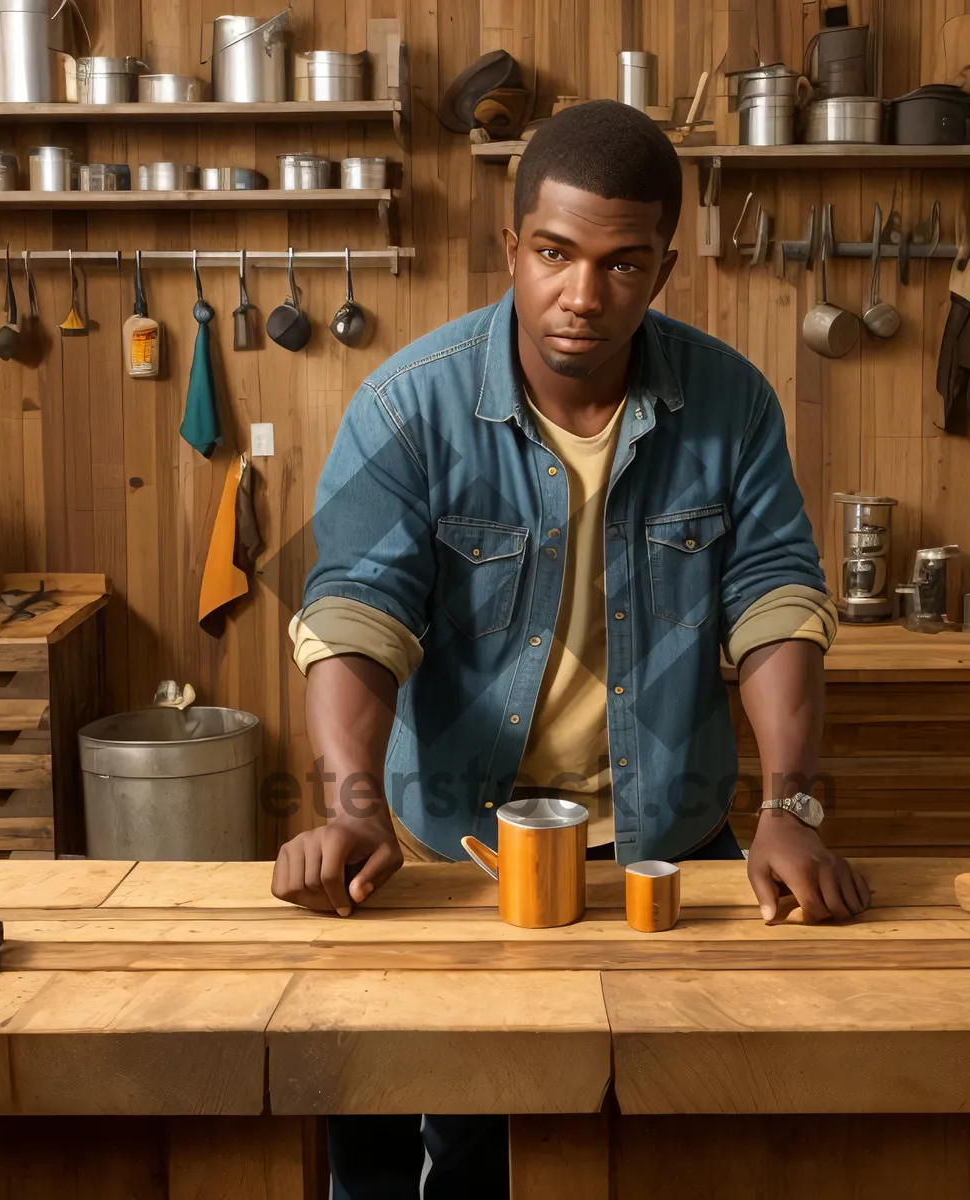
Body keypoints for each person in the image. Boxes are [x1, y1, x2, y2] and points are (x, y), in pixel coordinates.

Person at [273, 99, 871, 1200]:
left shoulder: (730, 403)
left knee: (683, 1135)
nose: (582, 296)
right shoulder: (407, 407)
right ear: (512, 246)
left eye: (621, 264)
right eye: (553, 254)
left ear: (664, 266)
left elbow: (776, 599)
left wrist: (793, 806)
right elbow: (357, 612)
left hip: (668, 846)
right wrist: (353, 804)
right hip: (463, 855)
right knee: (473, 1148)